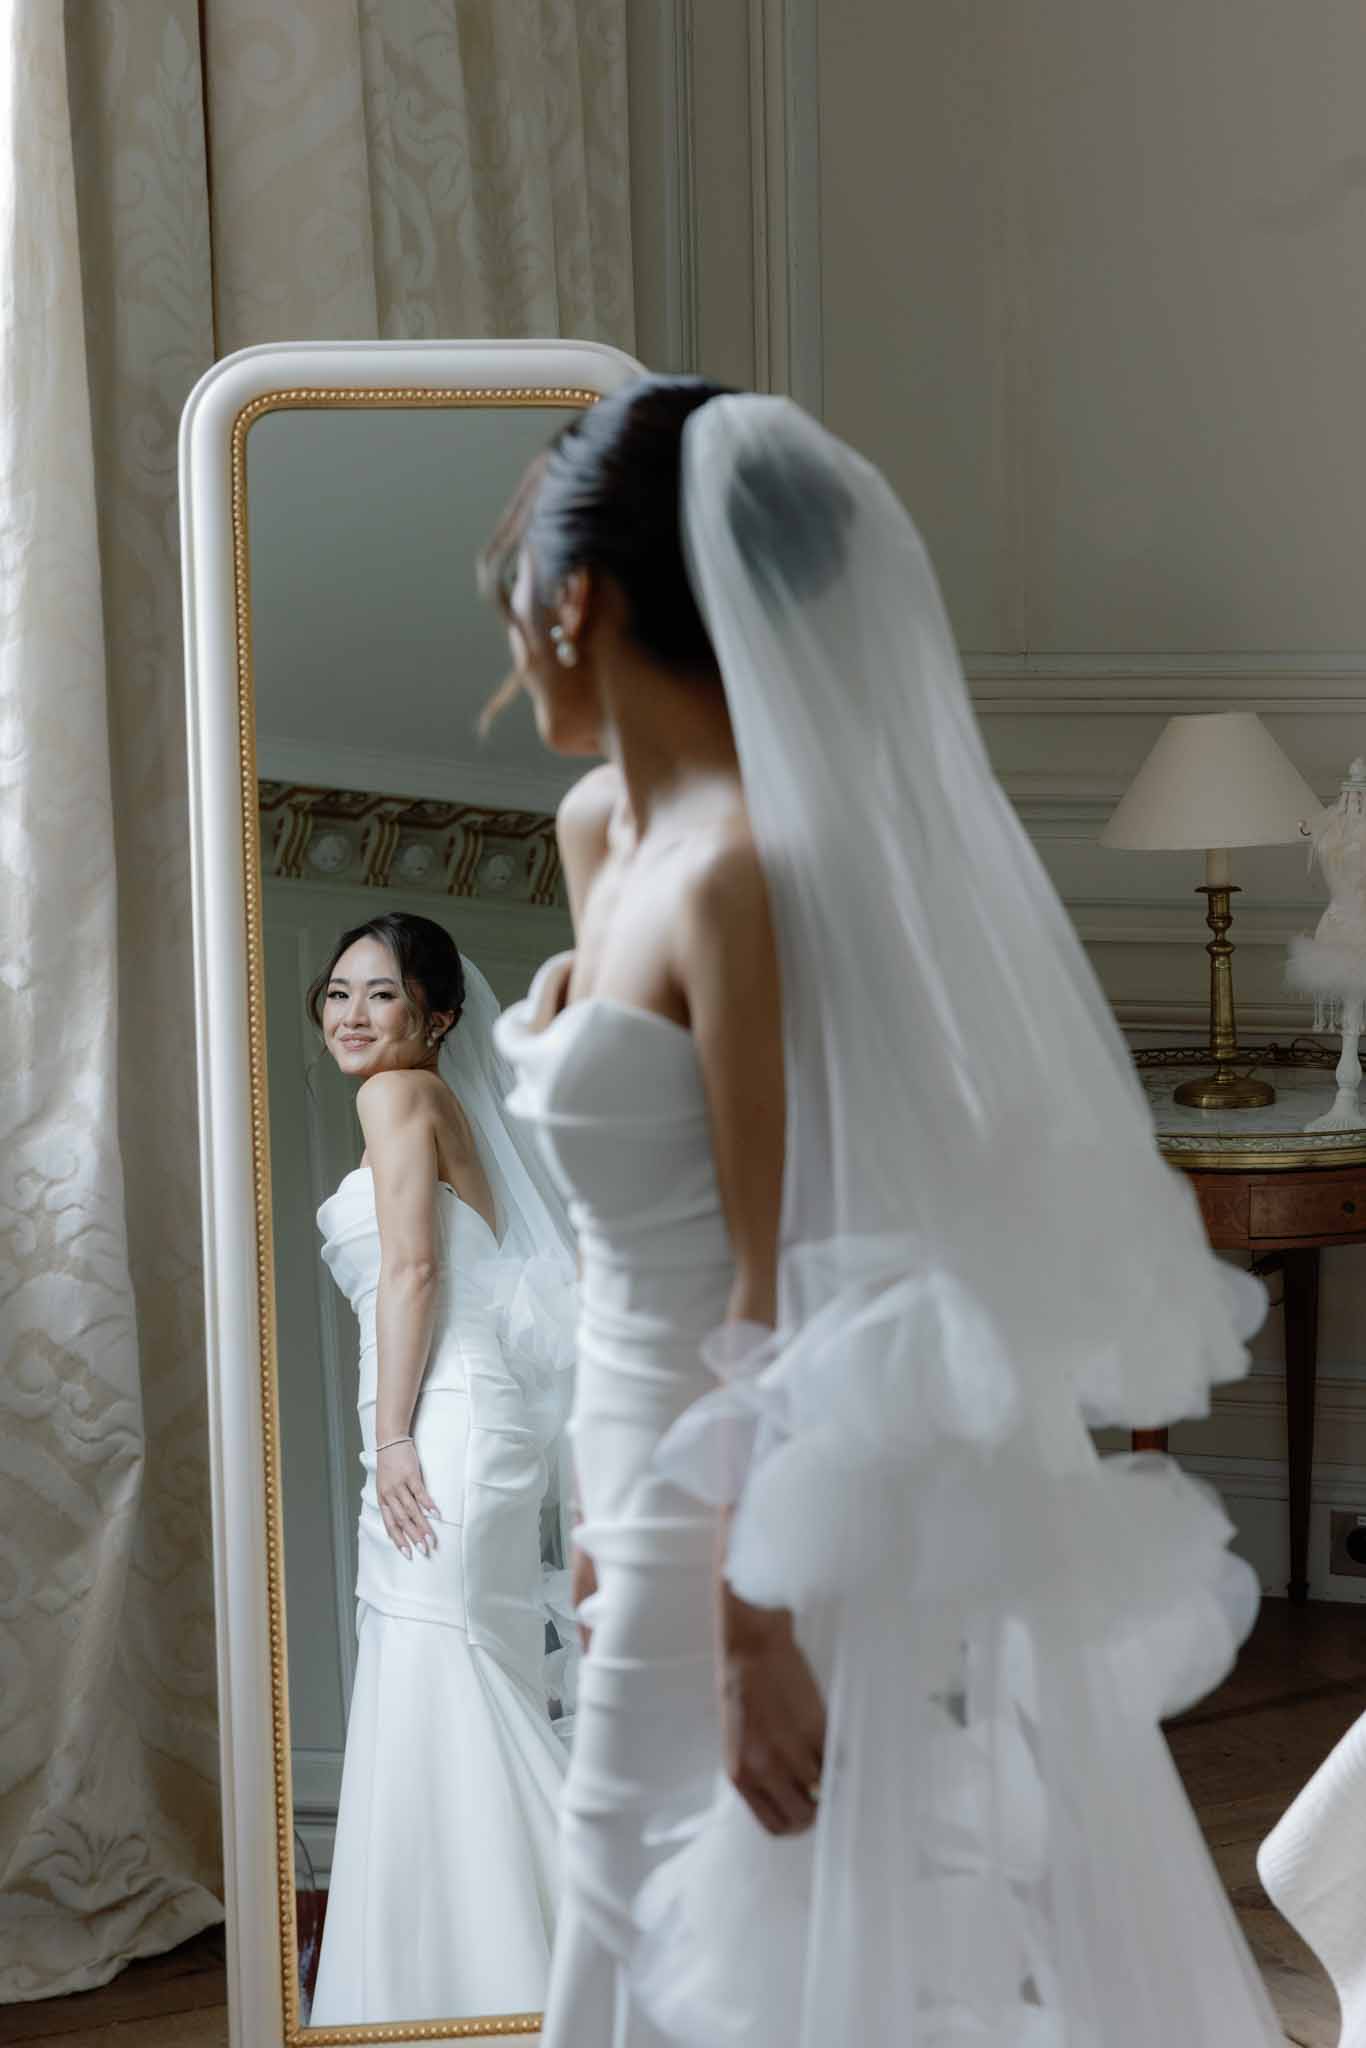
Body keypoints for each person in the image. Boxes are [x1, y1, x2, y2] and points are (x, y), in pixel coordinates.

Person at [483, 376, 1287, 2046]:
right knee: (630, 1909)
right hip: (624, 1466)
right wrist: (595, 1494)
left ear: (576, 599)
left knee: (661, 1906)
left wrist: (751, 1615)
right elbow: (623, 1243)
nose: (508, 647)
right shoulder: (598, 832)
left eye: (512, 601)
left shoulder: (742, 874)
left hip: (750, 1500)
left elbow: (786, 1270)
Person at [307, 912, 577, 2026]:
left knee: (445, 1676)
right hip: (469, 1419)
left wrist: (391, 1439)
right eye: (338, 992)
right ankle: (484, 1985)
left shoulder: (397, 1097)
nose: (351, 1014)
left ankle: (533, 1983)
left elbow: (415, 1270)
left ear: (440, 1015)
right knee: (459, 1679)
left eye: (382, 994)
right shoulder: (442, 1106)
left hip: (442, 1423)